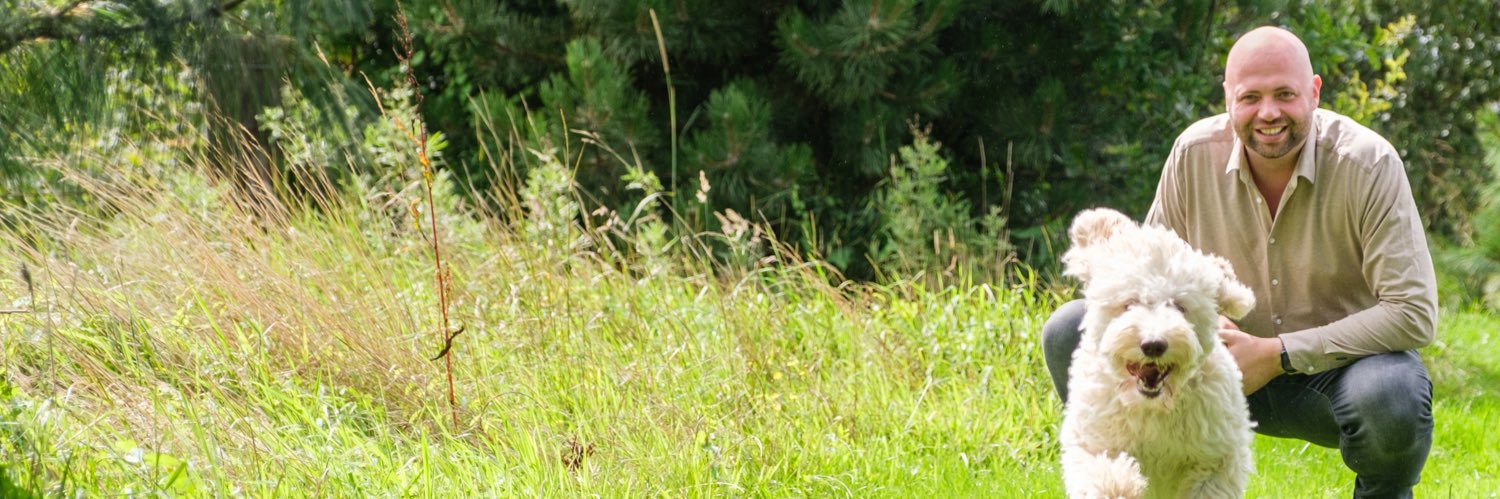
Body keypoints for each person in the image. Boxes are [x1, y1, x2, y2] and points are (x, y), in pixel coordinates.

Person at [1041, 26, 1437, 498]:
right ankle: (1129, 476)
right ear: (1228, 97)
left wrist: (1279, 353)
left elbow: (1413, 312)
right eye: (1251, 97)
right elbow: (1149, 271)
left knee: (1392, 396)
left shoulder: (1369, 164)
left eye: (1285, 95)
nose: (1268, 113)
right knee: (1071, 328)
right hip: (1214, 368)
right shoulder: (1192, 154)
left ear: (1313, 93)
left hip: (1333, 380)